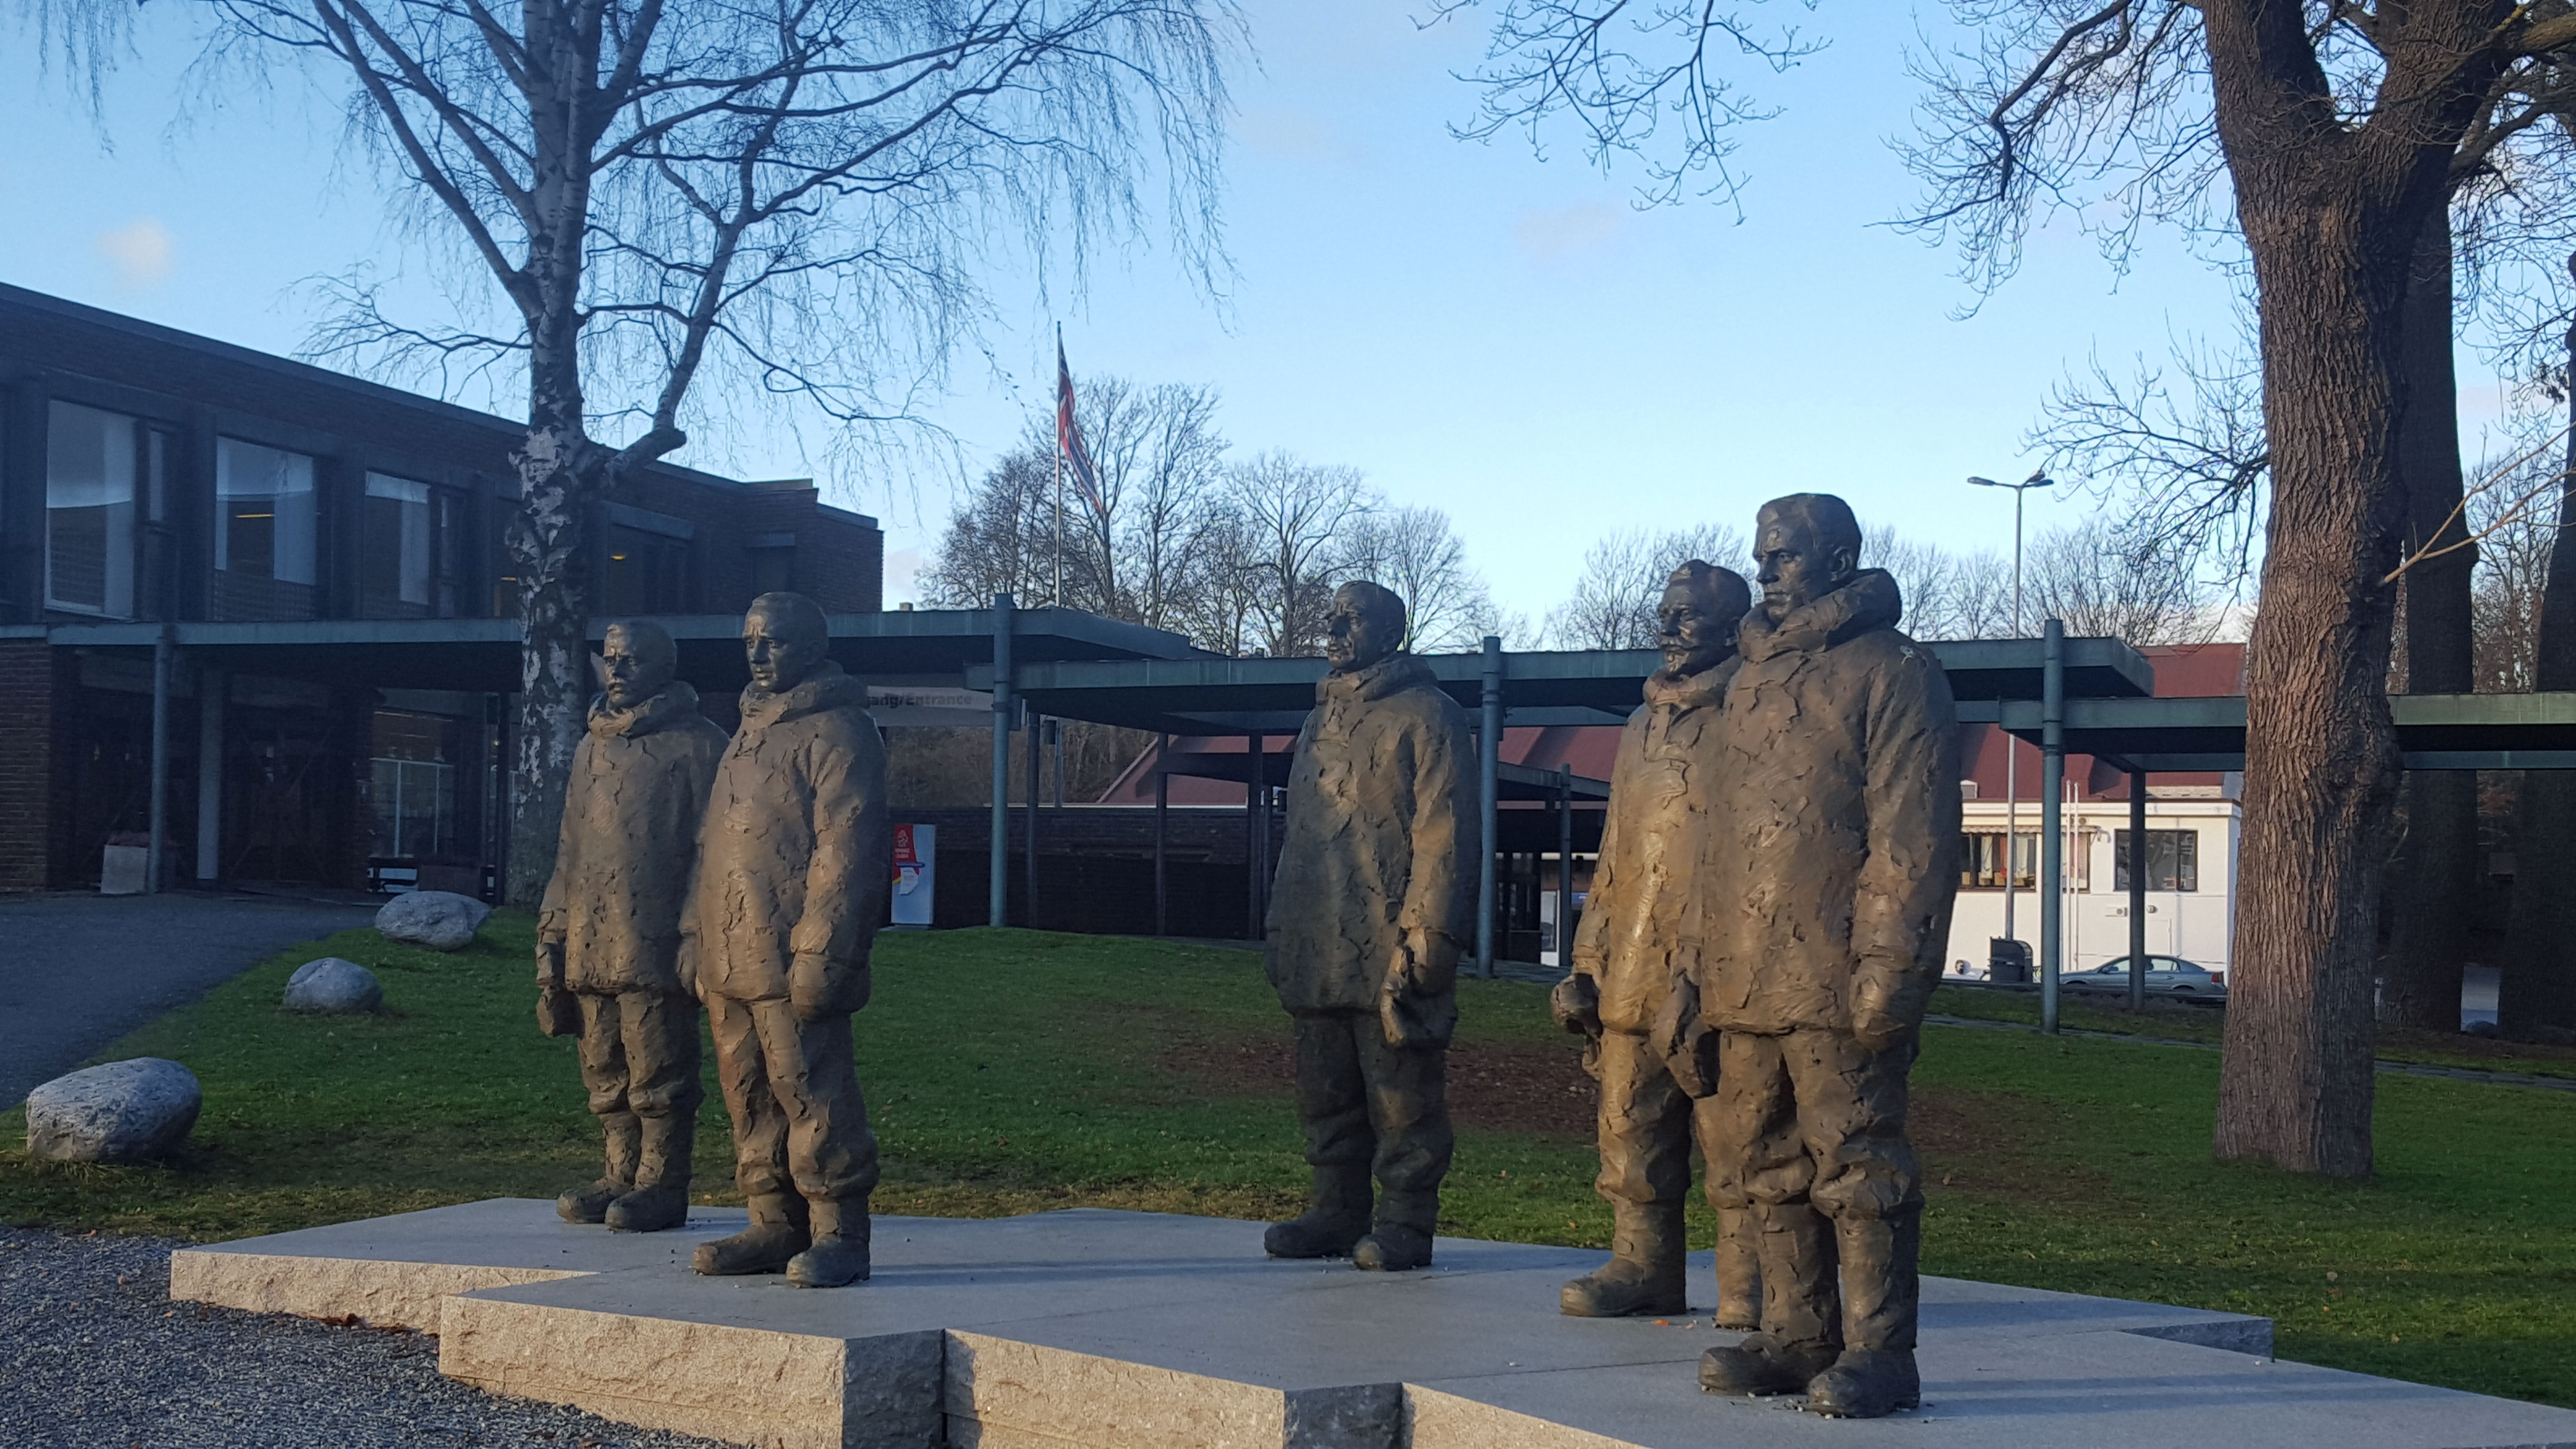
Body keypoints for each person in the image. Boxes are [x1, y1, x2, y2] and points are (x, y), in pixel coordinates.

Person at [1683, 494, 1960, 1418]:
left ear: (1839, 560)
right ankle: (1795, 1332)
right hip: (1743, 970)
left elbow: (1911, 833)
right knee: (1763, 1159)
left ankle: (1880, 1349)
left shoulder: (1894, 670)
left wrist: (1893, 965)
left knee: (1858, 1160)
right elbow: (1711, 839)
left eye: (1786, 557)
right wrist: (1693, 966)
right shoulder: (1744, 683)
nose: (1766, 571)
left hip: (1837, 971)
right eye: (1760, 556)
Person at [1551, 561, 1760, 1323]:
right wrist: (1586, 961)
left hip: (1715, 971)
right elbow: (1615, 855)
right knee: (1630, 1126)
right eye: (1664, 613)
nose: (1668, 628)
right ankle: (1643, 1265)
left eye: (1687, 616)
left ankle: (1749, 1286)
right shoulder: (1640, 726)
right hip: (1633, 967)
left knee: (1732, 1136)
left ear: (1732, 626)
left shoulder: (1752, 711)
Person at [1261, 580, 1477, 1272]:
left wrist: (1426, 945)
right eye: (1330, 619)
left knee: (1401, 1093)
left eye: (1349, 619)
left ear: (1390, 632)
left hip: (1391, 939)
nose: (1333, 630)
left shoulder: (1430, 716)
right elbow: (1299, 835)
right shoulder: (1315, 721)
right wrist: (1282, 927)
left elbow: (1446, 839)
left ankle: (1406, 1221)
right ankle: (1335, 1207)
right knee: (1324, 1088)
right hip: (1318, 935)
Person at [686, 592, 891, 1288]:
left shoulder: (840, 731)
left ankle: (838, 1227)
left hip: (791, 952)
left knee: (812, 1088)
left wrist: (823, 951)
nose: (757, 653)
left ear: (809, 646)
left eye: (771, 641)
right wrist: (695, 934)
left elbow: (848, 852)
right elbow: (710, 846)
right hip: (728, 952)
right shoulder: (745, 733)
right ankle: (771, 1219)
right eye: (749, 641)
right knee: (746, 1091)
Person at [536, 618, 726, 1232]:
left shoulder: (699, 743)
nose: (616, 671)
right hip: (591, 935)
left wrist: (695, 931)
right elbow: (569, 845)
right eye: (611, 659)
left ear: (662, 667)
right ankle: (618, 1174)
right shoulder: (591, 746)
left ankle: (660, 1184)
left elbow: (712, 849)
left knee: (659, 1065)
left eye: (632, 660)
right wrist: (554, 928)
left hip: (655, 937)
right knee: (602, 1065)